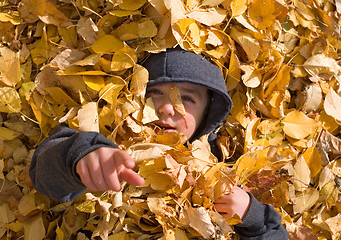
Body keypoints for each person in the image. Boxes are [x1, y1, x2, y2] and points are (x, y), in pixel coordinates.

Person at [30, 48, 288, 239]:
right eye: (154, 93)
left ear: (206, 116)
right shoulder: (107, 141)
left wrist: (250, 216)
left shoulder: (219, 170)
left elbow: (275, 233)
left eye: (186, 98)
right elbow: (42, 173)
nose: (166, 107)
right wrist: (79, 157)